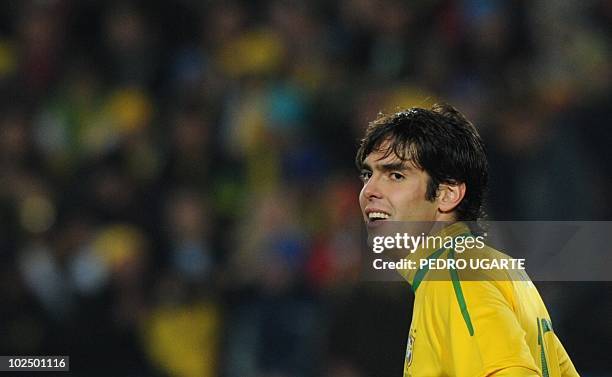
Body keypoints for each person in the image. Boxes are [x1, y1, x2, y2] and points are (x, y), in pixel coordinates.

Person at [355, 104, 579, 376]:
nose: (369, 191)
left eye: (396, 175)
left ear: (448, 195)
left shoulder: (455, 278)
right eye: (368, 175)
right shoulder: (487, 268)